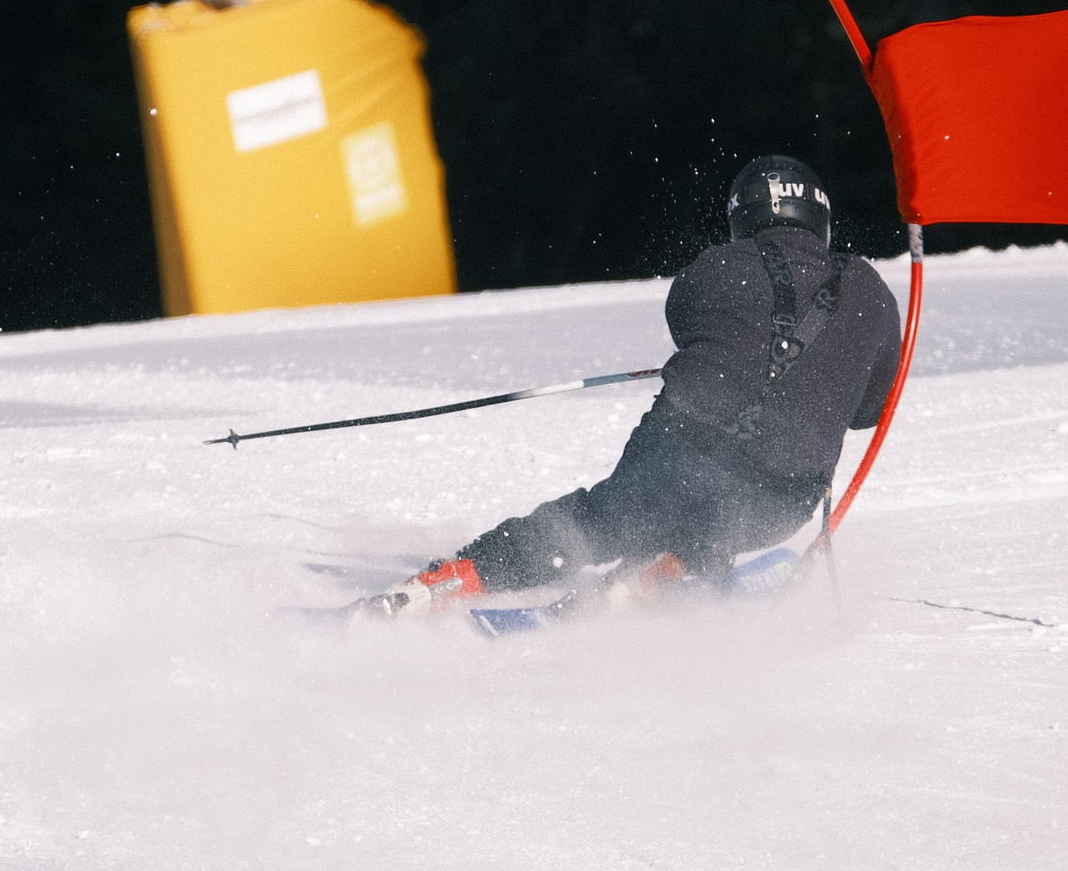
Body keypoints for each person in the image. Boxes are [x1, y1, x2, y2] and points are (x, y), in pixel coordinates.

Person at [369, 155, 903, 619]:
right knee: (716, 530)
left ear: (744, 217)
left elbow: (688, 325)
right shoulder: (873, 295)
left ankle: (455, 580)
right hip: (783, 496)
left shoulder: (720, 264)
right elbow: (867, 412)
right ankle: (660, 576)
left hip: (678, 452)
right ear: (821, 218)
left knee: (597, 522)